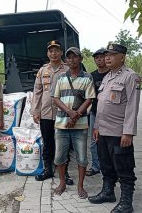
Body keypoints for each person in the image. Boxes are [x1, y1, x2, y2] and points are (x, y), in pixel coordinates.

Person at [88, 44, 141, 213]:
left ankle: (126, 203)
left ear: (122, 57)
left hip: (119, 132)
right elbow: (100, 105)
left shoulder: (130, 76)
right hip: (103, 130)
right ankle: (108, 192)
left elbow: (132, 106)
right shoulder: (107, 76)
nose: (107, 58)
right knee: (106, 164)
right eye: (106, 55)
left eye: (112, 54)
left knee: (124, 168)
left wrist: (128, 132)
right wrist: (96, 127)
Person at [52, 47, 95, 197]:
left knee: (82, 157)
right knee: (59, 157)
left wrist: (76, 116)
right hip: (61, 125)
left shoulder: (87, 77)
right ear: (66, 60)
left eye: (74, 57)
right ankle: (62, 182)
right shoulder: (60, 77)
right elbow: (55, 98)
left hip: (80, 125)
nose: (71, 60)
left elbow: (89, 99)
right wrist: (70, 112)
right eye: (69, 57)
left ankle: (80, 186)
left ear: (80, 59)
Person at [31, 40, 70, 182]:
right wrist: (35, 111)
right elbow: (37, 92)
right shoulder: (43, 70)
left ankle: (64, 173)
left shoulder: (67, 69)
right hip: (46, 113)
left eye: (56, 50)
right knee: (47, 142)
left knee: (64, 143)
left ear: (61, 52)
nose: (53, 53)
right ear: (47, 53)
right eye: (51, 51)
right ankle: (48, 170)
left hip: (63, 113)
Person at [86, 48, 110, 177]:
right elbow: (89, 95)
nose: (99, 60)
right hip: (95, 112)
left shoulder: (112, 75)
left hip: (110, 114)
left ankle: (111, 168)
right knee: (94, 141)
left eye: (101, 57)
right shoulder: (92, 76)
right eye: (97, 58)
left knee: (109, 141)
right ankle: (96, 166)